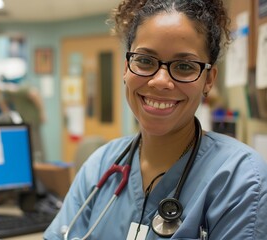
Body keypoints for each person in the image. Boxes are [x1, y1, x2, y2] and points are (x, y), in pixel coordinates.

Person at [44, 0, 267, 239]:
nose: (160, 81)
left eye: (184, 66)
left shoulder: (241, 179)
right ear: (126, 68)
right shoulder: (99, 166)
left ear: (209, 79)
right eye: (145, 61)